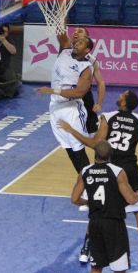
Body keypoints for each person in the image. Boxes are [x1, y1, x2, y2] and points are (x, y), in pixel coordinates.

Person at [62, 90, 138, 267]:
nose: (119, 96)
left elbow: (95, 144)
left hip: (110, 168)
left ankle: (85, 250)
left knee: (98, 210)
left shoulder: (108, 117)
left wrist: (71, 130)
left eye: (122, 95)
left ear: (124, 102)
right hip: (130, 169)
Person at [71, 141, 138, 273]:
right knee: (119, 269)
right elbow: (131, 199)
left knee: (96, 267)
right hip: (114, 224)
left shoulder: (85, 171)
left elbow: (74, 199)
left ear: (95, 154)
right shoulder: (118, 172)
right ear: (111, 155)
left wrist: (88, 203)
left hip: (95, 224)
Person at [36, 30, 94, 174]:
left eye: (81, 43)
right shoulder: (65, 50)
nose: (77, 43)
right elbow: (60, 31)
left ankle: (90, 180)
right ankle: (83, 178)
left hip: (72, 110)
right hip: (55, 108)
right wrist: (60, 16)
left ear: (87, 50)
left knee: (78, 149)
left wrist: (53, 90)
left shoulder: (86, 68)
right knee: (69, 148)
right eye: (77, 41)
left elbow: (79, 93)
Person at [72, 27, 106, 135]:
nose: (76, 32)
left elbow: (100, 83)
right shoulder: (65, 53)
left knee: (93, 131)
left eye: (80, 31)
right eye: (75, 31)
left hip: (85, 97)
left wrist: (99, 103)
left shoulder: (92, 61)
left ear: (87, 38)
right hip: (68, 96)